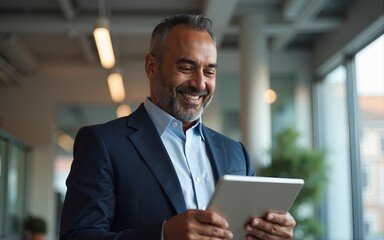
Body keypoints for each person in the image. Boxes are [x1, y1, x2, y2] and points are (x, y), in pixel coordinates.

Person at [59, 14, 296, 240]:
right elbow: (77, 236)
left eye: (209, 71)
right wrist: (162, 235)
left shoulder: (236, 153)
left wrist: (270, 231)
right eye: (186, 67)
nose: (200, 83)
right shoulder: (103, 143)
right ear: (152, 67)